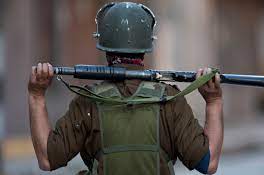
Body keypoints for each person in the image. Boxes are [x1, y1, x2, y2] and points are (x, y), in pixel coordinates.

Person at [28, 2, 223, 175]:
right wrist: (213, 102)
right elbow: (209, 162)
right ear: (146, 47)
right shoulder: (170, 100)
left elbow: (47, 159)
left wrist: (37, 95)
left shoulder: (87, 102)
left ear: (105, 47)